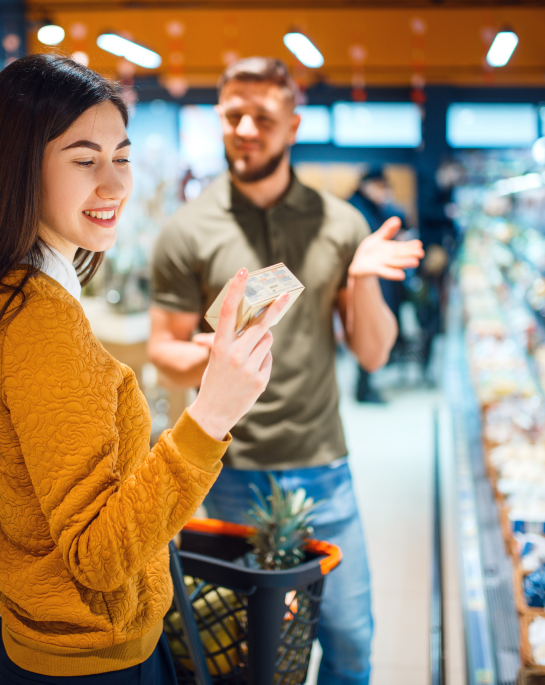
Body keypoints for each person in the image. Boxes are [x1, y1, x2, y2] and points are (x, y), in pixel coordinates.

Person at [0, 54, 290, 684]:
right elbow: (101, 558)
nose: (115, 185)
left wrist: (24, 535)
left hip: (30, 642)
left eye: (122, 157)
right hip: (94, 665)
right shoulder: (41, 322)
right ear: (21, 170)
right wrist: (213, 412)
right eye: (84, 160)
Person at [148, 57, 423, 685]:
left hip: (323, 465)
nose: (245, 128)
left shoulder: (341, 224)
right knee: (239, 651)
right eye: (232, 115)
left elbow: (374, 353)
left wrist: (360, 281)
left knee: (351, 641)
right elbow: (162, 350)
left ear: (293, 125)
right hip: (225, 471)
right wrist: (218, 359)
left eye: (263, 117)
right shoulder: (187, 231)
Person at [347, 170, 407, 404]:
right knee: (365, 330)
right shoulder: (357, 208)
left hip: (372, 279)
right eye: (380, 187)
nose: (384, 193)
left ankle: (366, 384)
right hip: (364, 281)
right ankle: (364, 388)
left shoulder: (369, 207)